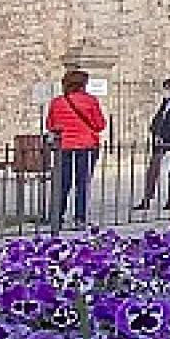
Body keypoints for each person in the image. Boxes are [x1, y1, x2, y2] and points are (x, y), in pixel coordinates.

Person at [44, 69, 108, 227]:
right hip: (87, 145)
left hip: (64, 145)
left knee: (63, 181)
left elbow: (50, 125)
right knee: (82, 182)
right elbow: (100, 125)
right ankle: (80, 217)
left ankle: (57, 215)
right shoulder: (90, 101)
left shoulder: (57, 102)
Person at [132, 77, 170, 212]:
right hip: (161, 140)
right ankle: (147, 198)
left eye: (168, 89)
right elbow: (159, 118)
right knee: (152, 170)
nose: (166, 92)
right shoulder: (166, 103)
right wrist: (155, 130)